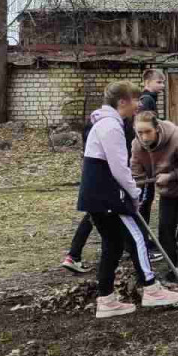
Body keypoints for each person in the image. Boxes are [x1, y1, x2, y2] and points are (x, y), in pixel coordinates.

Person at [76, 81, 178, 318]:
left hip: (97, 195)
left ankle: (106, 301)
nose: (138, 105)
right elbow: (119, 169)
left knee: (113, 246)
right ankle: (152, 290)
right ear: (123, 101)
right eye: (135, 100)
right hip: (107, 196)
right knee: (137, 239)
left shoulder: (103, 123)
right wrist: (134, 194)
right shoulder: (111, 126)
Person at [131, 111, 178, 287]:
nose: (144, 137)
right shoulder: (136, 145)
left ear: (157, 129)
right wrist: (134, 194)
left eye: (147, 132)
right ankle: (172, 265)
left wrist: (172, 175)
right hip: (167, 187)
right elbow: (137, 175)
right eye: (139, 132)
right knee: (165, 228)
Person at [63, 106, 136, 274]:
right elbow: (118, 160)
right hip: (105, 183)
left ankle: (74, 255)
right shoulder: (113, 125)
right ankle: (75, 255)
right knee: (108, 226)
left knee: (94, 217)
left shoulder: (97, 121)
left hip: (95, 182)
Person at [136, 69, 165, 225]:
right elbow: (142, 131)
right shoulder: (146, 100)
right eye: (159, 82)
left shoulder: (149, 99)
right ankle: (141, 234)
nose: (163, 86)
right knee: (145, 198)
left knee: (147, 197)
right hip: (144, 156)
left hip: (146, 155)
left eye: (163, 82)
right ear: (147, 82)